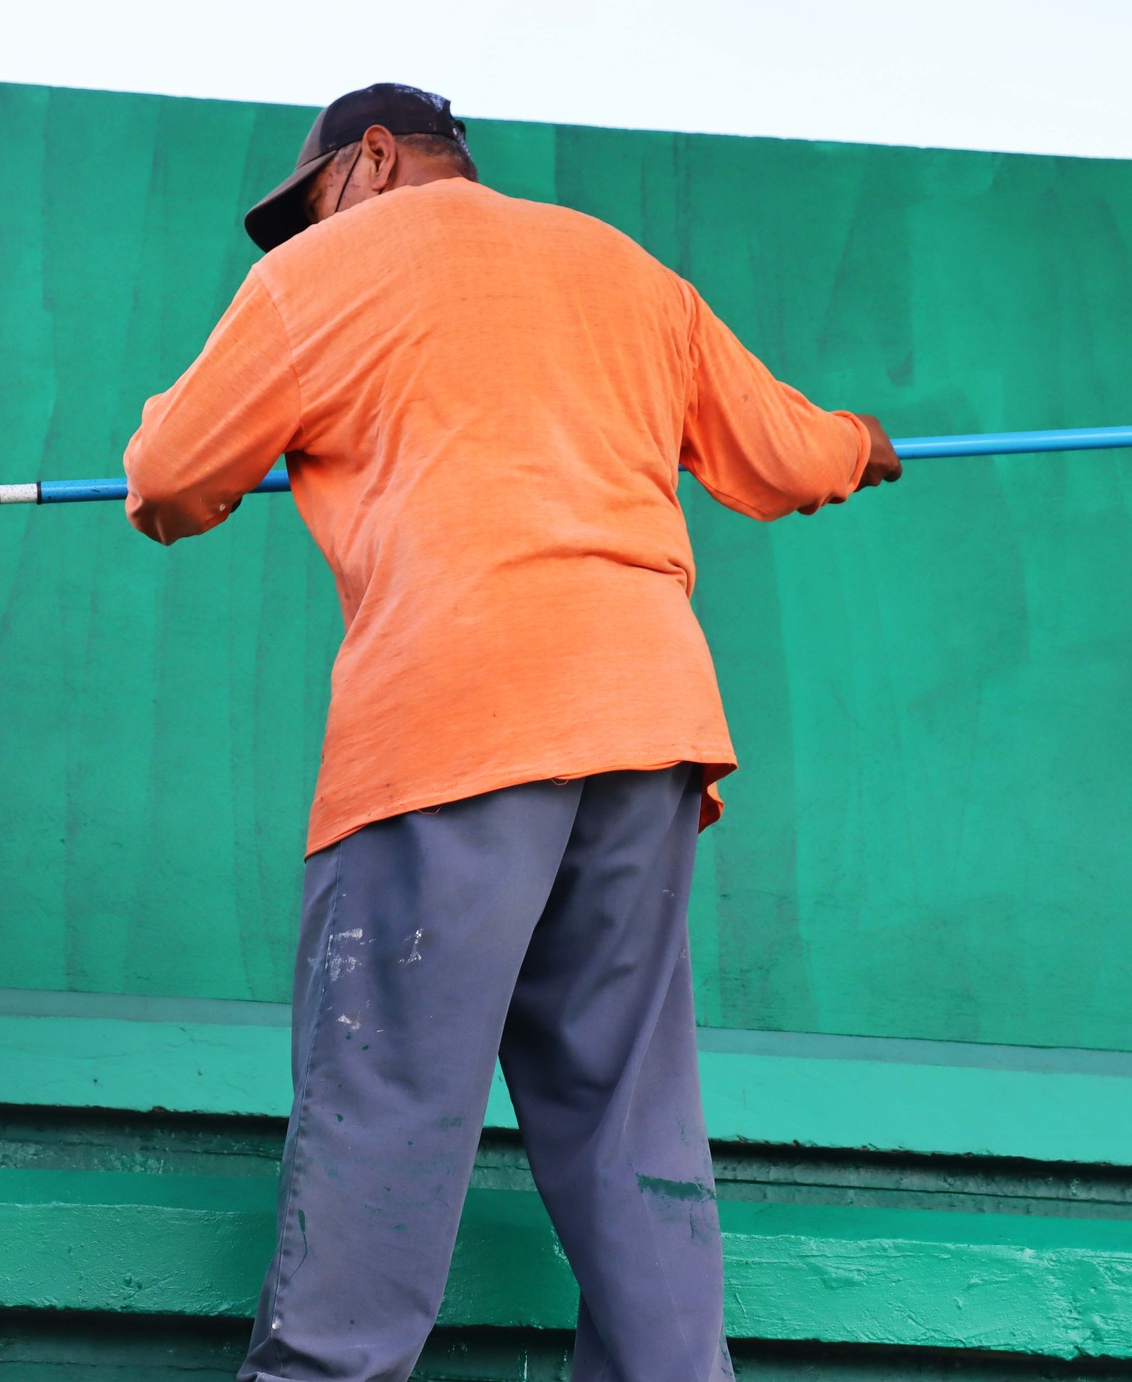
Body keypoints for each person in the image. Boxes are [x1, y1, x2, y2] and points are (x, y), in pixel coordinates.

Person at [124, 81, 900, 1382]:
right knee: (629, 1126)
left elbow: (169, 477)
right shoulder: (623, 269)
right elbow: (784, 455)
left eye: (311, 204)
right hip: (646, 733)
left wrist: (235, 443)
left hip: (450, 729)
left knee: (386, 1108)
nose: (307, 233)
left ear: (373, 159)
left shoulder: (320, 276)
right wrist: (860, 441)